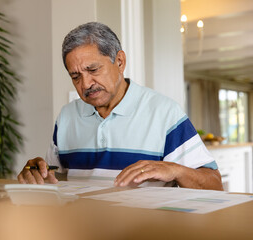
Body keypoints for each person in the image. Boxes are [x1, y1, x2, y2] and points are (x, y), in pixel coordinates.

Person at [18, 22, 223, 190]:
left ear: (120, 61)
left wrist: (176, 170)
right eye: (75, 76)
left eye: (93, 69)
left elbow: (214, 185)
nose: (86, 83)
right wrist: (38, 175)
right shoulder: (66, 116)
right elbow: (56, 182)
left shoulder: (165, 112)